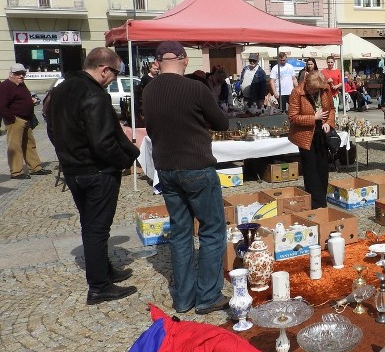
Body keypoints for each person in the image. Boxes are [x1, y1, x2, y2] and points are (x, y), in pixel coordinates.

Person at [143, 41, 230, 315]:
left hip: (166, 169)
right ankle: (207, 296)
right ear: (182, 59)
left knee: (180, 233)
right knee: (212, 230)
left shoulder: (148, 90)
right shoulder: (195, 88)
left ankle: (183, 298)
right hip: (195, 166)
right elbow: (222, 122)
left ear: (158, 62)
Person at [47, 48, 140, 305]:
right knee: (96, 228)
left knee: (91, 225)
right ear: (104, 70)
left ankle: (104, 271)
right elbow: (103, 143)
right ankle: (99, 287)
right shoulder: (94, 95)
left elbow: (52, 129)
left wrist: (68, 156)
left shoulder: (62, 89)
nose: (114, 79)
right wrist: (125, 160)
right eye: (116, 73)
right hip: (96, 172)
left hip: (74, 169)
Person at [288, 70, 335, 209]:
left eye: (318, 90)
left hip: (321, 133)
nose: (316, 92)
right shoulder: (297, 92)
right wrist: (313, 118)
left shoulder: (325, 89)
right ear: (307, 85)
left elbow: (331, 109)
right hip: (305, 135)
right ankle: (318, 204)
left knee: (322, 169)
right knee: (310, 170)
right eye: (313, 89)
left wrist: (328, 123)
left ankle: (320, 198)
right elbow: (293, 117)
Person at [0, 63, 50, 179]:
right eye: (18, 74)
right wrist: (12, 118)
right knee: (15, 146)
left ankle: (35, 167)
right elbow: (2, 105)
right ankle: (16, 172)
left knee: (29, 144)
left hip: (26, 119)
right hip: (15, 120)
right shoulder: (5, 86)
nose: (21, 76)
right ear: (11, 74)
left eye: (23, 73)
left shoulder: (21, 84)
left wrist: (30, 101)